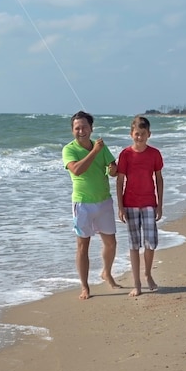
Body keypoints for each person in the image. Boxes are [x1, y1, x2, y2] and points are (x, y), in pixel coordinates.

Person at [62, 110, 121, 300]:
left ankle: (107, 273)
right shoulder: (68, 150)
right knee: (82, 246)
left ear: (91, 128)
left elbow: (113, 171)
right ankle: (85, 286)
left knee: (111, 243)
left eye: (85, 127)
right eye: (77, 128)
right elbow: (77, 170)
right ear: (72, 131)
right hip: (82, 204)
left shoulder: (101, 147)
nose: (81, 131)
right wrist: (95, 151)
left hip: (104, 201)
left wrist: (112, 168)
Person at [116, 115, 164, 297]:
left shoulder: (155, 154)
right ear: (131, 134)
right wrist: (120, 207)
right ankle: (136, 283)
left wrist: (160, 205)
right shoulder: (125, 154)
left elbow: (159, 179)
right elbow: (120, 181)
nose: (139, 137)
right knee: (134, 244)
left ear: (149, 134)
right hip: (130, 204)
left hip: (150, 203)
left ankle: (148, 274)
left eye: (143, 134)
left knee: (151, 243)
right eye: (137, 134)